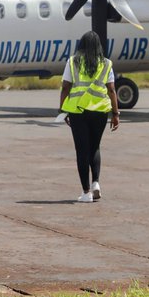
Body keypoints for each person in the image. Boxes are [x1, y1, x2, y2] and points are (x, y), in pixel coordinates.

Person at [58, 31, 120, 202]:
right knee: (95, 147)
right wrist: (115, 114)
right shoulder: (107, 64)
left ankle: (86, 193)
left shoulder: (72, 62)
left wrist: (62, 109)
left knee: (81, 150)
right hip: (100, 111)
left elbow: (65, 87)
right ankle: (96, 183)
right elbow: (112, 90)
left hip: (78, 112)